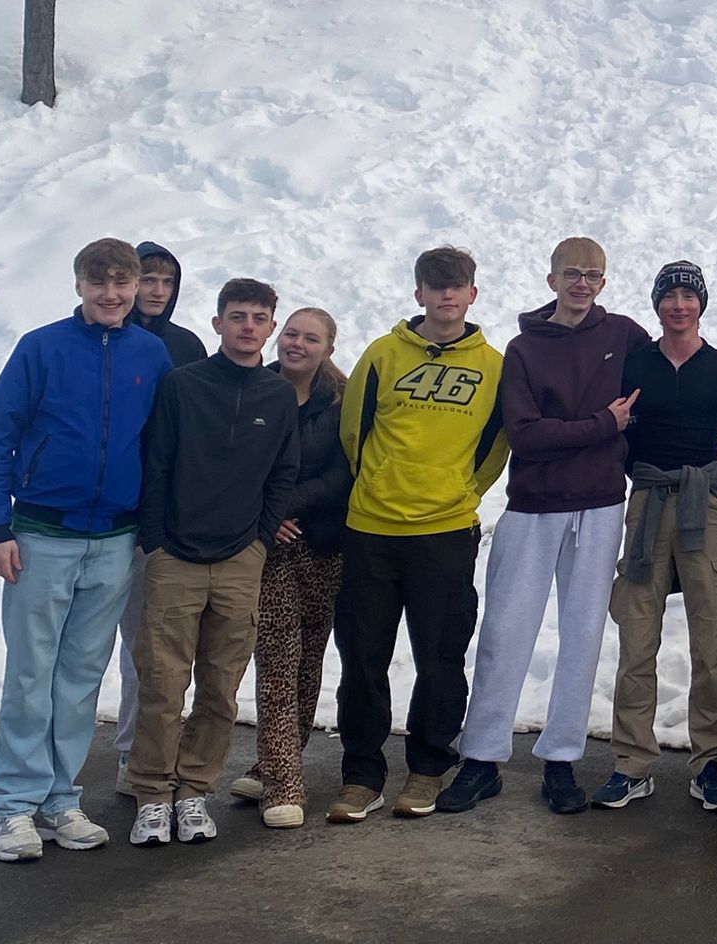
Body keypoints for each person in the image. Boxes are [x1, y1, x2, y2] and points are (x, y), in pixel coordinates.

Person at [438, 240, 704, 820]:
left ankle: (560, 760)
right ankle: (481, 759)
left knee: (583, 638)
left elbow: (674, 362)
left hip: (602, 505)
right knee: (506, 632)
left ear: (604, 282)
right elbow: (527, 435)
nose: (581, 283)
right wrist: (602, 426)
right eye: (571, 274)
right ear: (552, 278)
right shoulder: (524, 347)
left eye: (592, 275)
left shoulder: (625, 335)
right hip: (533, 505)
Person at [0, 239, 173, 863]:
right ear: (80, 284)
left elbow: (161, 444)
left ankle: (60, 798)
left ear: (137, 285)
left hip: (113, 539)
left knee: (82, 674)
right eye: (99, 282)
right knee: (32, 673)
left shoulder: (151, 352)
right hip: (40, 535)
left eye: (122, 282)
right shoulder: (41, 347)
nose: (111, 294)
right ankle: (14, 806)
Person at [328, 246, 507, 824]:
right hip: (372, 530)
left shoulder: (494, 366)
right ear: (419, 295)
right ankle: (361, 775)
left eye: (457, 287)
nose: (447, 296)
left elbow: (495, 444)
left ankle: (429, 767)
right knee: (363, 657)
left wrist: (461, 491)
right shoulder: (381, 355)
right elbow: (352, 434)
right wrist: (379, 487)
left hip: (446, 531)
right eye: (436, 287)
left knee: (439, 657)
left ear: (473, 295)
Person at [128, 279, 300, 848]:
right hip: (174, 554)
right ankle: (153, 793)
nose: (248, 326)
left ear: (270, 327)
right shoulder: (182, 386)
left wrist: (258, 542)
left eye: (258, 317)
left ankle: (195, 789)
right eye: (237, 316)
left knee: (220, 686)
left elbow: (283, 472)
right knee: (162, 681)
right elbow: (156, 463)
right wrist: (156, 540)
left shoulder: (277, 396)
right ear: (217, 323)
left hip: (239, 559)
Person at [599, 261, 717, 814]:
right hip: (646, 503)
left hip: (704, 503)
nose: (680, 305)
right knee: (636, 639)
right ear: (657, 305)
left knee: (712, 640)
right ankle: (631, 764)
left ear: (702, 305)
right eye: (670, 296)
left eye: (689, 296)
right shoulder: (634, 364)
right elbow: (618, 430)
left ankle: (710, 761)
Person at [230, 308, 354, 828]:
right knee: (278, 661)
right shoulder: (255, 391)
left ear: (327, 348)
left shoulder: (341, 402)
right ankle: (284, 784)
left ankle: (274, 761)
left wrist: (284, 504)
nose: (297, 344)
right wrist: (269, 514)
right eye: (291, 334)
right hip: (271, 550)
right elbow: (234, 464)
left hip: (324, 544)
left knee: (307, 660)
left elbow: (343, 472)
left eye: (311, 338)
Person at [114, 241, 207, 796]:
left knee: (149, 649)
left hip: (162, 522)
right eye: (145, 278)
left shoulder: (185, 345)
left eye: (165, 282)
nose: (154, 290)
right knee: (86, 652)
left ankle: (136, 754)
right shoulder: (102, 340)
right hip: (104, 517)